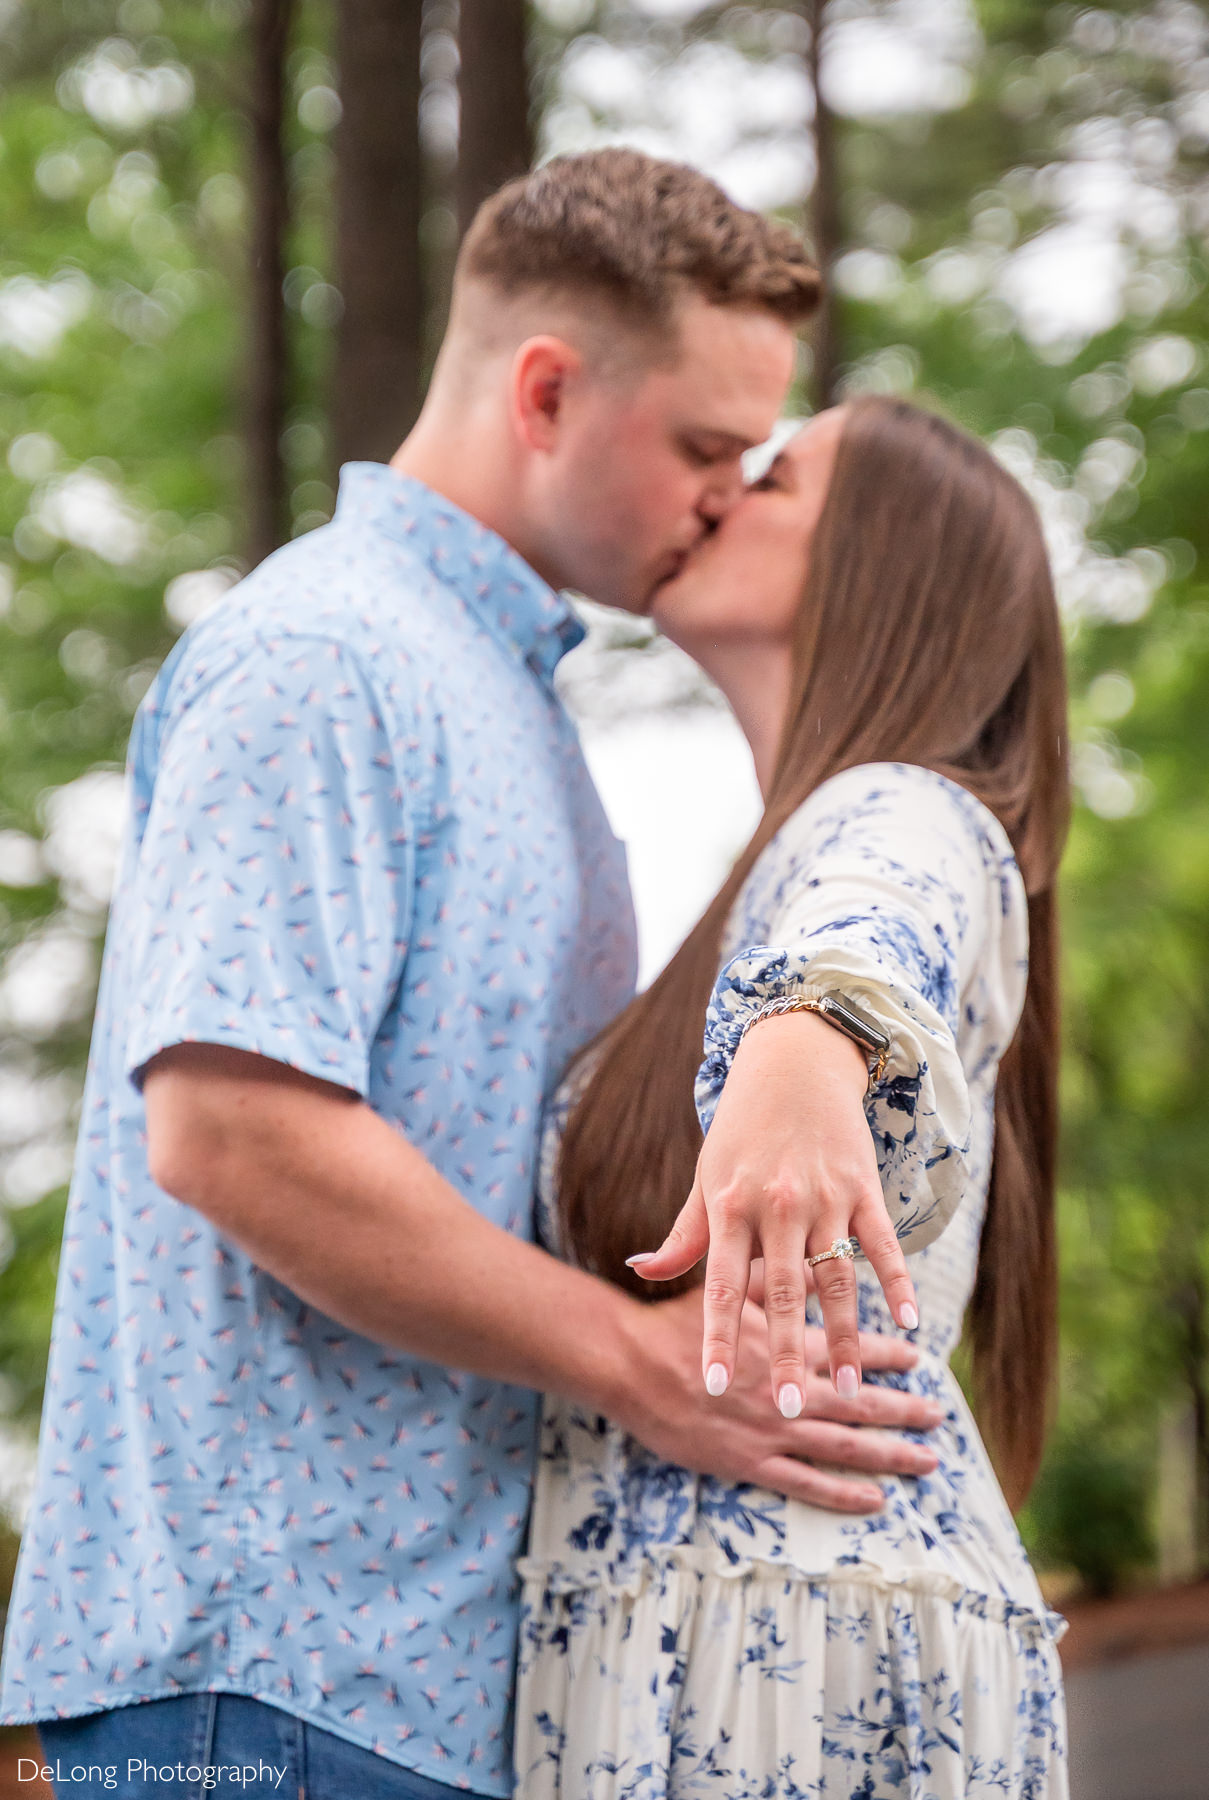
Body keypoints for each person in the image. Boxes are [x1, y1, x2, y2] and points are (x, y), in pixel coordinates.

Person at [1, 153, 942, 1800]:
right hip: (270, 1674)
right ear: (547, 389)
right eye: (703, 448)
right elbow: (232, 1133)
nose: (724, 495)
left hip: (420, 1688)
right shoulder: (327, 656)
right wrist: (638, 1366)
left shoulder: (509, 707)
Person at [515, 395, 1072, 1799]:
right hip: (692, 1643)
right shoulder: (768, 852)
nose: (713, 493)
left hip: (795, 1645)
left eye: (769, 478)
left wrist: (807, 1045)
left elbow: (873, 920)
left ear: (883, 566)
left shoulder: (906, 809)